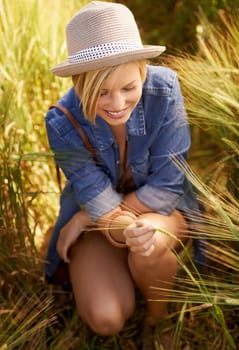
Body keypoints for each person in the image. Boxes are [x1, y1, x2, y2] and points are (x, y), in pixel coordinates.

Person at [45, 1, 201, 348]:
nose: (117, 103)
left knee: (149, 244)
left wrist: (87, 217)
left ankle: (157, 322)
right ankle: (130, 273)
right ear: (81, 84)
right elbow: (96, 195)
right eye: (101, 92)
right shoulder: (61, 121)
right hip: (106, 223)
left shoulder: (165, 90)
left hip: (164, 213)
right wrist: (101, 215)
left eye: (129, 87)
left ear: (143, 70)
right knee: (107, 319)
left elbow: (167, 184)